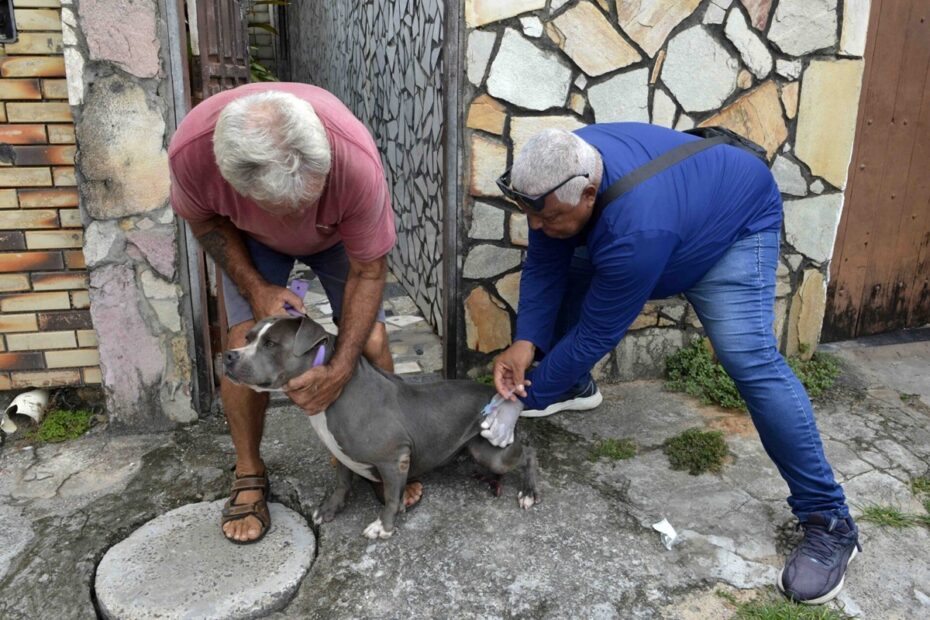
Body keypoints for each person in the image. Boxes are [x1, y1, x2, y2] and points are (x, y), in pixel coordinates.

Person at [486, 124, 860, 605]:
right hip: (672, 219)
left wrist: (526, 396)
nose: (536, 227)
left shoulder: (636, 228)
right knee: (571, 259)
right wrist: (526, 344)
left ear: (590, 193)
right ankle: (574, 387)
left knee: (748, 358)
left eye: (548, 217)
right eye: (529, 215)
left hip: (735, 223)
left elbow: (599, 331)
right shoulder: (561, 167)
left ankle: (829, 519)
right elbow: (544, 263)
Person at [168, 83, 422, 544]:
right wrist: (256, 286)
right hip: (250, 244)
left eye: (308, 200)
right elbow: (203, 220)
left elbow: (369, 272)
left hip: (338, 239)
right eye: (283, 209)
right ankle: (248, 471)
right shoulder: (191, 154)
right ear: (233, 181)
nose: (296, 218)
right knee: (243, 341)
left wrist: (341, 368)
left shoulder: (354, 162)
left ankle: (388, 451)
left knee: (372, 341)